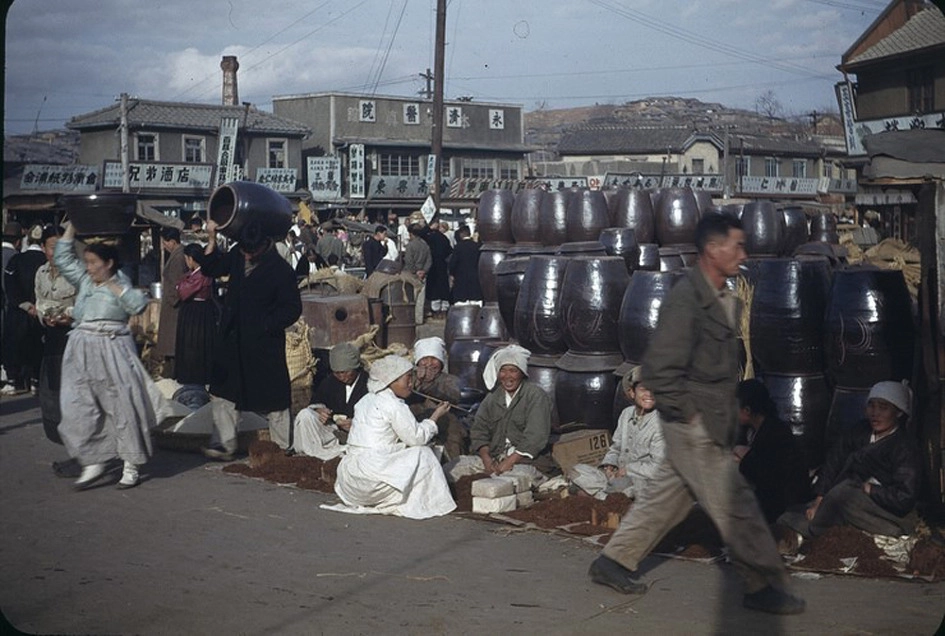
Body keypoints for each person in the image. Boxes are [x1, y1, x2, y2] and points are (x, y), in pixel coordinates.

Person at [589, 214, 805, 616]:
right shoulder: (688, 300)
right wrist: (690, 418)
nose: (743, 254)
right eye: (736, 246)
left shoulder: (725, 296)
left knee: (665, 500)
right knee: (735, 503)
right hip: (695, 427)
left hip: (710, 424)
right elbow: (658, 369)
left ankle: (611, 561)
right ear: (713, 250)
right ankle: (760, 584)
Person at [54, 223, 154, 490]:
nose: (88, 267)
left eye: (93, 262)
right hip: (80, 346)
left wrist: (113, 286)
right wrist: (74, 225)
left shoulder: (121, 283)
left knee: (121, 406)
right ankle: (93, 460)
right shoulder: (85, 280)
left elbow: (138, 305)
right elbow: (63, 258)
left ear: (108, 263)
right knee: (77, 406)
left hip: (112, 348)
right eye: (86, 262)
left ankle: (131, 465)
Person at [196, 219, 302, 461]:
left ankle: (282, 447)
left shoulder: (281, 271)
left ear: (263, 247)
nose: (245, 256)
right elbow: (211, 268)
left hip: (263, 345)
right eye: (242, 250)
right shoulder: (236, 255)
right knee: (224, 394)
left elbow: (292, 308)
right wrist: (212, 238)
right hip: (233, 341)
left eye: (250, 252)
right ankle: (225, 444)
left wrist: (266, 324)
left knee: (275, 399)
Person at [778, 380, 920, 541]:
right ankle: (830, 520)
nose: (875, 413)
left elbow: (904, 497)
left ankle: (817, 530)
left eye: (883, 408)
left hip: (884, 511)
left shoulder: (904, 447)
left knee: (844, 496)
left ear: (899, 412)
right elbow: (834, 462)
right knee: (791, 514)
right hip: (847, 500)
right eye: (871, 406)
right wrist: (819, 500)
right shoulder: (860, 431)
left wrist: (871, 490)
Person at [333, 354, 456, 519]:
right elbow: (417, 438)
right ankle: (431, 503)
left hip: (349, 481)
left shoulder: (365, 400)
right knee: (423, 452)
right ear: (391, 381)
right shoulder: (394, 405)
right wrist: (435, 417)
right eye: (407, 379)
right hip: (371, 480)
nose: (411, 384)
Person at [733, 379, 811, 525]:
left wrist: (744, 456)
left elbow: (767, 474)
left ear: (747, 410)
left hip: (782, 502)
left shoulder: (776, 432)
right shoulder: (749, 430)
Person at [468, 345, 553, 475]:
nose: (507, 376)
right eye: (503, 370)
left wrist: (509, 462)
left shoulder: (535, 396)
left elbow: (535, 436)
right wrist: (486, 459)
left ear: (522, 373)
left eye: (513, 370)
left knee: (510, 481)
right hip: (495, 456)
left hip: (526, 460)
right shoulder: (492, 397)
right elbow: (479, 430)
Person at [33, 225, 77, 461]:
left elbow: (84, 301)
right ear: (44, 248)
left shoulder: (77, 271)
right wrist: (44, 316)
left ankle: (80, 453)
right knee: (54, 392)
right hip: (51, 338)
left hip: (73, 337)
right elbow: (39, 301)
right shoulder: (40, 273)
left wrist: (68, 315)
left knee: (74, 394)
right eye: (52, 247)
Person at [596, 366, 666, 498]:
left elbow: (658, 467)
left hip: (645, 481)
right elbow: (616, 448)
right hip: (619, 475)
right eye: (644, 389)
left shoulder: (662, 422)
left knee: (615, 489)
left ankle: (607, 497)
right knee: (578, 473)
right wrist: (609, 465)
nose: (649, 394)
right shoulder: (626, 414)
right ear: (632, 393)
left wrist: (627, 470)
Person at [292, 342, 369, 459]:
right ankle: (311, 454)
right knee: (305, 415)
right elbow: (317, 401)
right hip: (333, 432)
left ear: (355, 368)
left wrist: (355, 423)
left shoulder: (369, 384)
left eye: (344, 372)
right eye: (337, 373)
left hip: (360, 435)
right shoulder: (330, 381)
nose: (341, 377)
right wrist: (319, 410)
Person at [407, 336, 467, 461]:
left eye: (434, 359)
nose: (429, 363)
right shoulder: (408, 378)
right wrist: (417, 382)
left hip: (445, 424)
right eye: (424, 359)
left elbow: (453, 396)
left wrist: (429, 385)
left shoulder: (449, 379)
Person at [3, 223, 46, 394]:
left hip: (18, 311)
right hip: (40, 313)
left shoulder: (16, 261)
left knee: (14, 346)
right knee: (37, 346)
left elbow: (10, 287)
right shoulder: (46, 262)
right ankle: (36, 379)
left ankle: (15, 381)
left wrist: (24, 305)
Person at [173, 243, 216, 387]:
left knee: (194, 345)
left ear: (191, 259)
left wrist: (179, 285)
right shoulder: (198, 273)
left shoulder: (201, 274)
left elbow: (183, 291)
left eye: (187, 259)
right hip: (196, 311)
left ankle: (194, 376)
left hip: (196, 313)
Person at [154, 227, 187, 378]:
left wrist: (173, 300)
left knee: (172, 343)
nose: (164, 246)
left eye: (165, 242)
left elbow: (177, 282)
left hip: (174, 306)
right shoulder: (177, 255)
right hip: (171, 304)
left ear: (172, 242)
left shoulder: (179, 257)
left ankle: (174, 375)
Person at [403, 223, 432, 324]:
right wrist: (423, 271)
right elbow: (429, 260)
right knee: (421, 299)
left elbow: (408, 260)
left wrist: (415, 271)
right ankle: (419, 319)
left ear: (411, 233)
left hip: (411, 275)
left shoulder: (410, 245)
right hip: (423, 274)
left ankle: (410, 318)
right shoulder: (425, 245)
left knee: (410, 297)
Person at [423, 220, 452, 318]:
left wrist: (428, 227)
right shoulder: (444, 238)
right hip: (442, 266)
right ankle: (443, 311)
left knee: (434, 288)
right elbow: (449, 251)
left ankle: (435, 311)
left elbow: (421, 233)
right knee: (443, 287)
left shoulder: (429, 237)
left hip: (432, 265)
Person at [448, 225, 483, 303]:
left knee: (462, 303)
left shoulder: (458, 247)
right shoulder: (477, 246)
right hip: (475, 277)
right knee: (475, 301)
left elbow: (453, 263)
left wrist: (452, 273)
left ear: (461, 234)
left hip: (461, 278)